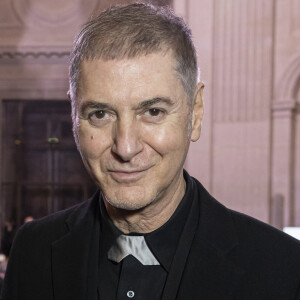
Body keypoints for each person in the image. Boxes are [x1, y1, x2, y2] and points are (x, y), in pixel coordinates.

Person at [1, 3, 300, 300]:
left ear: (195, 113)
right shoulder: (33, 250)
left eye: (153, 111)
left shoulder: (281, 266)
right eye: (100, 114)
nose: (126, 147)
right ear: (73, 115)